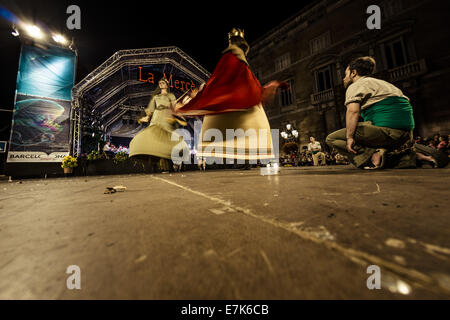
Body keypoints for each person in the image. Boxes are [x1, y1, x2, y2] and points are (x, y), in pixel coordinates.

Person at [175, 28, 285, 169]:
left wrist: (206, 92)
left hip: (236, 100)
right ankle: (244, 161)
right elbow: (242, 81)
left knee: (236, 132)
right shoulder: (235, 58)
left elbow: (219, 79)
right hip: (241, 100)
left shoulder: (234, 58)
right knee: (245, 131)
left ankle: (242, 161)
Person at [326, 56, 448, 169]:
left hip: (388, 131)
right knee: (368, 124)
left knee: (332, 139)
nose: (344, 78)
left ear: (354, 73)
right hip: (406, 133)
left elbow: (353, 111)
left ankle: (373, 157)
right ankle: (414, 157)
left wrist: (350, 138)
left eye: (346, 74)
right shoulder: (385, 84)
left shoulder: (357, 85)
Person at [129, 78, 189, 172]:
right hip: (156, 117)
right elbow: (151, 110)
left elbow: (174, 108)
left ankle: (172, 161)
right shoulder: (156, 97)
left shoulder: (171, 95)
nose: (161, 84)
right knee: (154, 137)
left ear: (167, 85)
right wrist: (146, 117)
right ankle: (159, 162)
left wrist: (177, 115)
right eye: (160, 83)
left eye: (163, 83)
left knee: (166, 139)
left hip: (166, 117)